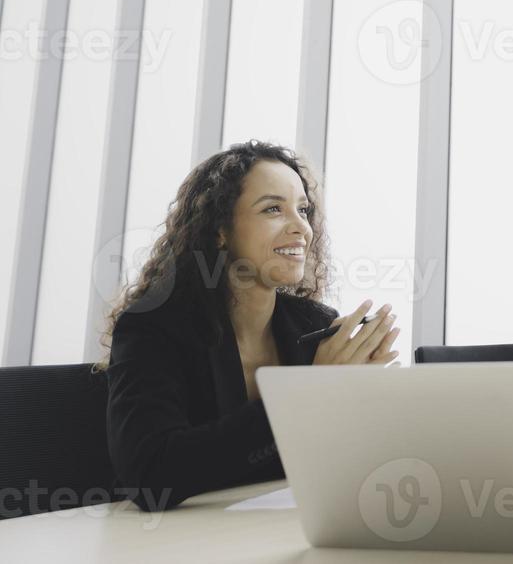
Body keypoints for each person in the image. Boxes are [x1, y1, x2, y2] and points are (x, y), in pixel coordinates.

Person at [101, 141, 401, 510]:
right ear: (220, 230)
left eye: (303, 210)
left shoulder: (315, 325)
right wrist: (306, 393)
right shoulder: (153, 328)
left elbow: (333, 465)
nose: (301, 228)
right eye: (273, 209)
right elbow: (150, 476)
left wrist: (365, 405)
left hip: (277, 530)